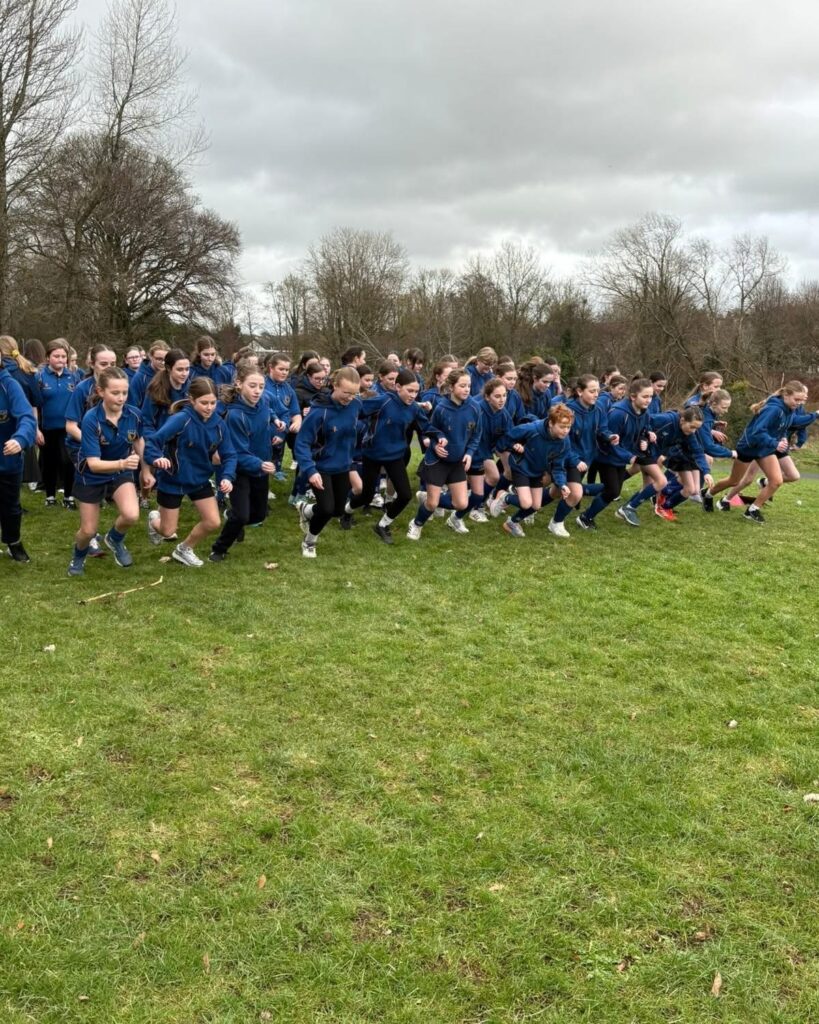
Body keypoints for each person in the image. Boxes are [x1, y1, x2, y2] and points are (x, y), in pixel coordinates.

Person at [144, 378, 237, 566]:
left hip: (199, 480)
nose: (209, 408)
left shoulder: (219, 424)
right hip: (173, 480)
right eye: (204, 403)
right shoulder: (181, 419)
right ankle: (154, 521)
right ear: (192, 399)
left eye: (213, 403)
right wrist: (156, 458)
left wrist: (227, 476)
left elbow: (230, 454)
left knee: (213, 522)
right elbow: (153, 441)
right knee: (168, 531)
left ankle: (184, 549)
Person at [67, 368, 148, 577]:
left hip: (119, 472)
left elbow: (138, 440)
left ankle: (114, 539)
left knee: (131, 515)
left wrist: (146, 470)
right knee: (88, 531)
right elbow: (94, 464)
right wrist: (124, 463)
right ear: (100, 391)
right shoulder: (91, 419)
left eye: (125, 392)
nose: (121, 398)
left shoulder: (134, 414)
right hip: (91, 475)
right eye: (115, 393)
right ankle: (78, 555)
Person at [704, 381, 815, 523]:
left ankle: (752, 510)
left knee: (776, 481)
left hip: (765, 449)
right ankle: (708, 494)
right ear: (786, 395)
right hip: (749, 447)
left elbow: (782, 427)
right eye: (796, 399)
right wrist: (775, 443)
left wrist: (782, 438)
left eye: (801, 400)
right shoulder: (773, 409)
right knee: (734, 480)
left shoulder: (789, 409)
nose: (799, 403)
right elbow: (757, 432)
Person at [347, 367, 431, 544]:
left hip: (395, 456)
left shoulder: (413, 408)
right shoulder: (383, 401)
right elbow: (356, 409)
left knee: (405, 495)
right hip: (372, 454)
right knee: (366, 496)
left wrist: (438, 437)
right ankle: (347, 511)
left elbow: (427, 426)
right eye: (410, 390)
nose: (413, 395)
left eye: (416, 391)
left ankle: (382, 525)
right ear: (398, 387)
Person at [209, 365, 281, 562]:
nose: (258, 391)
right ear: (239, 384)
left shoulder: (264, 401)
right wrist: (260, 463)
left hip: (260, 467)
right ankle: (219, 549)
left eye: (261, 386)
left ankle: (231, 515)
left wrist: (275, 423)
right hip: (239, 469)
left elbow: (269, 412)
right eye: (252, 386)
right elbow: (237, 452)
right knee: (242, 516)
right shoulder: (235, 416)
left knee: (258, 515)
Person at [293, 367, 361, 558]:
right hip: (320, 467)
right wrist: (310, 470)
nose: (350, 398)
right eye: (346, 393)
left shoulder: (356, 404)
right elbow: (301, 443)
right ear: (334, 385)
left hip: (343, 466)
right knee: (326, 509)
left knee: (337, 510)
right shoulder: (319, 412)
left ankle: (306, 510)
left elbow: (373, 406)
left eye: (354, 393)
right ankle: (309, 541)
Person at [407, 369, 481, 540]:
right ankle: (416, 524)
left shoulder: (474, 407)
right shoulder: (441, 408)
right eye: (462, 386)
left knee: (461, 504)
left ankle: (428, 499)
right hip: (437, 461)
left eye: (469, 386)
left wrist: (469, 453)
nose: (467, 389)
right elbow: (430, 431)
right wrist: (435, 446)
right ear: (451, 387)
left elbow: (477, 435)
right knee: (432, 504)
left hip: (457, 462)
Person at [494, 403, 574, 539]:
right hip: (520, 467)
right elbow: (506, 439)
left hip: (537, 471)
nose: (566, 431)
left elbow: (558, 467)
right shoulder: (532, 429)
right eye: (562, 427)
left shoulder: (565, 442)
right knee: (526, 503)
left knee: (536, 505)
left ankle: (512, 522)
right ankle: (504, 497)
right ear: (551, 423)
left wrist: (562, 484)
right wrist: (514, 446)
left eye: (568, 427)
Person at [0, 357, 37, 562]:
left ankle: (13, 542)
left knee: (11, 506)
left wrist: (19, 439)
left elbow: (26, 417)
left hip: (7, 460)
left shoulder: (9, 385)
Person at [36, 339, 77, 508]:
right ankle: (50, 496)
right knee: (49, 462)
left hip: (68, 427)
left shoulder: (74, 376)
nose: (60, 359)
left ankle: (69, 496)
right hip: (47, 428)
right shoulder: (39, 377)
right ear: (48, 358)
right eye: (56, 356)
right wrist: (36, 428)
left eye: (63, 356)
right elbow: (34, 405)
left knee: (67, 461)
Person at [141, 349, 191, 436]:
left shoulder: (191, 389)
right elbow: (146, 422)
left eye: (187, 369)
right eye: (180, 370)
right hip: (161, 440)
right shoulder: (156, 390)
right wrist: (155, 440)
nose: (184, 374)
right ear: (168, 368)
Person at [128, 339, 170, 409]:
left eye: (165, 359)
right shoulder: (140, 378)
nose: (163, 362)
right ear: (150, 356)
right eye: (159, 359)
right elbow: (132, 405)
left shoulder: (171, 375)